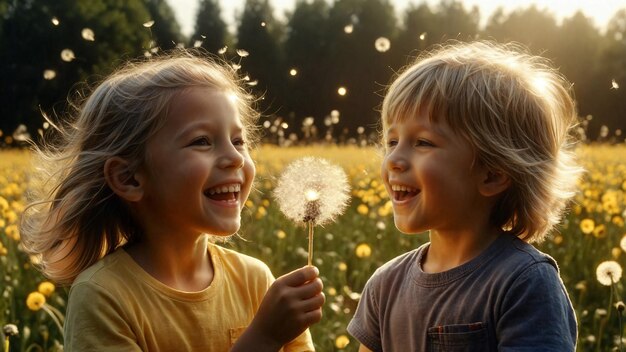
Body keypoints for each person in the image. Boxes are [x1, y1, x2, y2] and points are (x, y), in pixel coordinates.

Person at [20, 52, 324, 351]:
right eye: (201, 141)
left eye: (238, 141)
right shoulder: (103, 296)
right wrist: (263, 338)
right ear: (129, 178)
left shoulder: (255, 281)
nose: (234, 157)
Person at [347, 41, 582, 351]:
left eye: (423, 143)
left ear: (493, 174)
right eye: (392, 141)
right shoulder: (384, 286)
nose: (393, 160)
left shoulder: (524, 283)